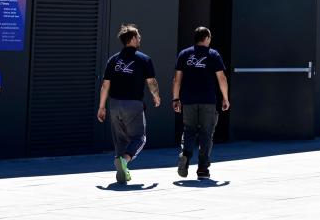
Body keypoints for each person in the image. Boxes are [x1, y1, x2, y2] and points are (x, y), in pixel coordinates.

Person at [97, 24, 160, 184]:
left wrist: (101, 106)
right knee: (139, 138)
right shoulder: (144, 59)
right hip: (133, 105)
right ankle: (124, 161)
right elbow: (151, 81)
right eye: (138, 36)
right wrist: (156, 96)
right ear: (132, 39)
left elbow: (105, 85)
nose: (140, 39)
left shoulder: (113, 60)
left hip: (115, 105)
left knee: (120, 140)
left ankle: (123, 171)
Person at [173, 26, 230, 179]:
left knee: (189, 130)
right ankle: (203, 169)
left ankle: (185, 155)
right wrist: (225, 97)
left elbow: (177, 79)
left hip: (189, 100)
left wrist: (176, 98)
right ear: (206, 38)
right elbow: (222, 78)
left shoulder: (184, 54)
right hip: (208, 100)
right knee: (206, 134)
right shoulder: (213, 54)